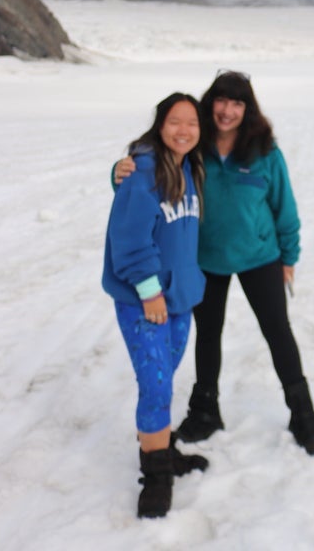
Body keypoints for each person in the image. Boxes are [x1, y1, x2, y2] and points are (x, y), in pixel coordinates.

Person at [114, 70, 314, 456]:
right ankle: (205, 411)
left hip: (259, 256)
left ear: (247, 109)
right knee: (207, 335)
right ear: (209, 102)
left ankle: (304, 415)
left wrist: (289, 255)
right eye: (222, 101)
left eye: (237, 103)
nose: (228, 111)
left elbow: (285, 207)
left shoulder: (265, 151)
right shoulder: (194, 145)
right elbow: (151, 176)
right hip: (205, 260)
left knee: (278, 331)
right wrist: (119, 173)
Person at [102, 92, 210, 520]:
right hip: (145, 301)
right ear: (159, 125)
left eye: (192, 123)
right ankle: (156, 477)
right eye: (174, 122)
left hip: (179, 299)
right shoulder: (143, 171)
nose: (183, 130)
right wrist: (150, 291)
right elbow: (128, 240)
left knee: (164, 383)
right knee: (157, 387)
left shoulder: (190, 168)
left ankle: (162, 452)